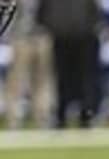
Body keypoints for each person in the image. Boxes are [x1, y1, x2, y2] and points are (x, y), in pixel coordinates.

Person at [36, 0, 103, 128]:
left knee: (86, 78)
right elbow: (42, 14)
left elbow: (96, 13)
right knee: (62, 78)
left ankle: (87, 114)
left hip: (85, 38)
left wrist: (90, 27)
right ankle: (61, 115)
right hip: (61, 37)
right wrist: (53, 28)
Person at [5, 0, 54, 128]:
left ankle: (42, 117)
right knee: (16, 81)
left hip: (42, 37)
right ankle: (13, 119)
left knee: (42, 80)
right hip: (21, 37)